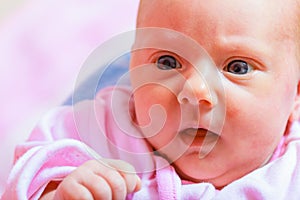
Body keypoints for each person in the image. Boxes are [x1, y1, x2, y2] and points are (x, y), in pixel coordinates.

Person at [2, 0, 300, 199]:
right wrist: (59, 193)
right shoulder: (100, 131)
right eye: (168, 62)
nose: (195, 91)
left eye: (237, 68)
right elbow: (25, 180)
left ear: (295, 96)